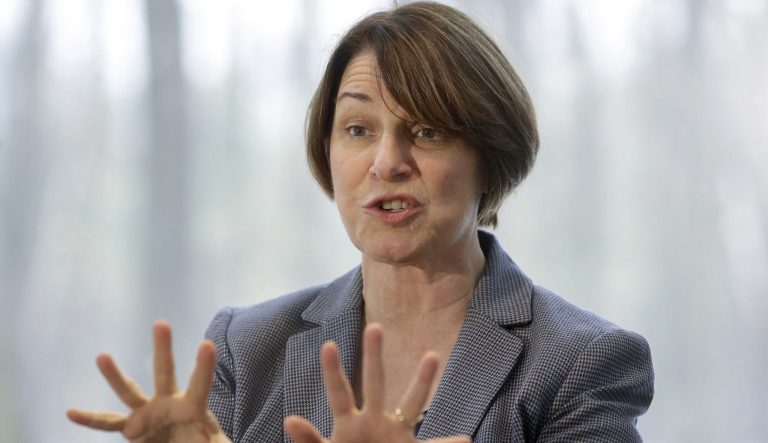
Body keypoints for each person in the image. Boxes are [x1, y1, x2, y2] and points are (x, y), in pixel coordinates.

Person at [68, 2, 654, 442]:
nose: (386, 163)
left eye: (427, 131)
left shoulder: (583, 361)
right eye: (357, 129)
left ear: (489, 158)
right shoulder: (245, 349)